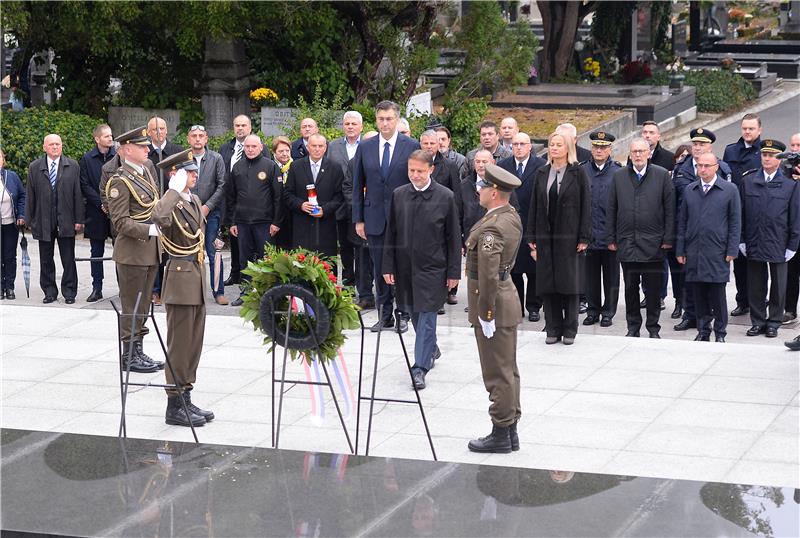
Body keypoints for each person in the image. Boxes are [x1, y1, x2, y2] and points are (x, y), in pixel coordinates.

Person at [382, 149, 461, 389]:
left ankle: (420, 368)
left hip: (433, 268)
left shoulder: (445, 196)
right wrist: (388, 265)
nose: (414, 175)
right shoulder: (399, 194)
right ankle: (431, 348)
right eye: (411, 170)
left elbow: (453, 238)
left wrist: (453, 273)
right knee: (414, 312)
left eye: (419, 171)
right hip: (405, 268)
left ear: (431, 170)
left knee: (427, 315)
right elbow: (391, 233)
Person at [152, 152, 213, 427]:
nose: (194, 176)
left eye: (193, 172)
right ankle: (173, 404)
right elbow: (158, 217)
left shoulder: (194, 200)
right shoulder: (171, 202)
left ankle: (186, 396)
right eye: (188, 173)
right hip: (179, 278)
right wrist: (173, 191)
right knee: (179, 345)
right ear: (175, 175)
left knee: (193, 343)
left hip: (196, 277)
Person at [465, 164, 523, 454]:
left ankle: (501, 431)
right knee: (508, 370)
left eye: (483, 187)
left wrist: (485, 313)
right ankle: (510, 429)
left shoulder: (492, 226)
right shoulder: (509, 217)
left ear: (495, 191)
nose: (479, 190)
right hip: (506, 300)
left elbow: (487, 275)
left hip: (494, 305)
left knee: (496, 372)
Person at [352, 100, 421, 333]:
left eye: (389, 119)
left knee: (402, 267)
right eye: (381, 119)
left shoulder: (410, 145)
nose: (385, 123)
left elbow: (416, 182)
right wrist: (358, 219)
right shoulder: (366, 147)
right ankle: (385, 314)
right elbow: (357, 185)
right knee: (380, 267)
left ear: (397, 119)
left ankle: (403, 314)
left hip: (404, 218)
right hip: (374, 218)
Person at [105, 126, 164, 373]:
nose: (147, 148)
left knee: (143, 306)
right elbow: (119, 222)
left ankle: (138, 351)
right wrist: (150, 231)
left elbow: (155, 206)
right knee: (131, 305)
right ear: (127, 150)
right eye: (142, 146)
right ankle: (129, 356)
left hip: (149, 252)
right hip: (131, 253)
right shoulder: (119, 180)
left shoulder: (145, 173)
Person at [527, 132, 591, 345]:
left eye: (558, 145)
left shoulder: (578, 172)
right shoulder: (542, 172)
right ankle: (552, 328)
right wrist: (532, 236)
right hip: (546, 237)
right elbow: (535, 206)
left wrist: (584, 236)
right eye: (551, 144)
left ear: (567, 149)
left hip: (570, 237)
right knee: (549, 284)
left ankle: (570, 329)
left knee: (569, 284)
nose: (554, 148)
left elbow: (586, 207)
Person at [606, 138, 675, 338]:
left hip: (653, 246)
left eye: (641, 151)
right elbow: (612, 208)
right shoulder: (619, 177)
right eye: (634, 151)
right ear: (629, 154)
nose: (637, 155)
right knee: (630, 290)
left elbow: (670, 210)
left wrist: (668, 239)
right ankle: (633, 328)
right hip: (627, 245)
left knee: (653, 291)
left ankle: (653, 328)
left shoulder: (661, 176)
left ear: (648, 154)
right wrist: (611, 238)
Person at [670, 128, 732, 330]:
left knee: (713, 284)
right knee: (690, 280)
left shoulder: (721, 168)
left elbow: (731, 212)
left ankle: (713, 320)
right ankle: (690, 315)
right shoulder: (681, 168)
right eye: (695, 143)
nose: (697, 147)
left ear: (710, 147)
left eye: (702, 144)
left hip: (714, 236)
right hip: (688, 231)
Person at [676, 152, 741, 343]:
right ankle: (703, 330)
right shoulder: (690, 189)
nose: (702, 169)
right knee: (699, 294)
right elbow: (683, 221)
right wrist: (680, 249)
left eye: (706, 166)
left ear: (716, 167)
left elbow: (735, 222)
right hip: (694, 251)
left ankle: (720, 332)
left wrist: (732, 249)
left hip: (717, 251)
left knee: (717, 295)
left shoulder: (729, 190)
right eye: (699, 166)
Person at [740, 139, 800, 339]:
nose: (766, 158)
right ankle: (758, 321)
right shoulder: (748, 181)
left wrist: (792, 245)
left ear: (779, 159)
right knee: (756, 284)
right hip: (754, 239)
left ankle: (774, 321)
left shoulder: (790, 185)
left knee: (778, 284)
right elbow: (741, 214)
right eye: (764, 154)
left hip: (778, 241)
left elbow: (794, 217)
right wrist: (741, 240)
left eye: (771, 155)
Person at [25, 134, 84, 304]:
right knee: (45, 258)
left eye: (57, 144)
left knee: (68, 258)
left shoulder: (72, 165)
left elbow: (77, 194)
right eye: (51, 144)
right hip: (43, 220)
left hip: (66, 219)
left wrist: (79, 218)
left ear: (62, 146)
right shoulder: (35, 167)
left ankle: (69, 292)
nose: (55, 147)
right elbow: (31, 194)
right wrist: (29, 219)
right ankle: (49, 291)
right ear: (44, 147)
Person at [226, 134, 282, 306]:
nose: (250, 149)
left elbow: (278, 197)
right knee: (245, 260)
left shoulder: (270, 166)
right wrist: (232, 222)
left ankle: (268, 294)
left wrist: (276, 222)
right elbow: (231, 197)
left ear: (260, 147)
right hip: (242, 223)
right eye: (247, 147)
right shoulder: (237, 167)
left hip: (264, 222)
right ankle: (246, 293)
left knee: (267, 260)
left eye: (253, 146)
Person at [218, 114, 272, 287]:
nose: (240, 128)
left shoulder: (260, 148)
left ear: (250, 127)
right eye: (237, 125)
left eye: (243, 125)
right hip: (234, 202)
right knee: (236, 242)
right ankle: (235, 274)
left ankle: (253, 281)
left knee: (253, 247)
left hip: (257, 210)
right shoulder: (226, 148)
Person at [498, 132, 546, 322]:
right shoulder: (503, 166)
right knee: (514, 268)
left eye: (522, 144)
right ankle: (516, 306)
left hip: (532, 222)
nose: (518, 147)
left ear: (529, 147)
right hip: (510, 224)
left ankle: (534, 306)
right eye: (515, 144)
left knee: (533, 269)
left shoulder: (541, 166)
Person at [724, 114, 763, 319]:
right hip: (735, 210)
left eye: (751, 128)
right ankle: (743, 301)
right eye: (744, 128)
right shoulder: (731, 150)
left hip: (756, 212)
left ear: (759, 130)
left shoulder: (764, 151)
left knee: (757, 260)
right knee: (738, 259)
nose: (747, 132)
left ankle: (759, 299)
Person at [582, 131, 622, 327]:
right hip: (588, 236)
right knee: (590, 278)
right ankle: (592, 310)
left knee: (611, 277)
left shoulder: (618, 172)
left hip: (609, 237)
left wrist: (616, 236)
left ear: (610, 150)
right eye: (596, 146)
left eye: (603, 147)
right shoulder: (582, 171)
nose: (599, 150)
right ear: (591, 148)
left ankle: (608, 312)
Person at [419, 129, 463, 308]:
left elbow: (456, 196)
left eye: (432, 143)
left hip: (442, 219)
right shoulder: (415, 164)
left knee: (443, 259)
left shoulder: (449, 165)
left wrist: (457, 221)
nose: (429, 147)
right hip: (420, 220)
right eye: (425, 143)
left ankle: (447, 293)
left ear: (439, 144)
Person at [187, 124, 228, 305]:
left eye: (201, 136)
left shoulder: (216, 158)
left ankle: (218, 292)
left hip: (210, 214)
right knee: (190, 253)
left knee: (214, 253)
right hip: (187, 213)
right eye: (194, 136)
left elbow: (222, 185)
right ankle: (192, 292)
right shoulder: (183, 158)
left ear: (206, 139)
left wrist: (208, 206)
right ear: (189, 139)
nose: (197, 139)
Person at [284, 134, 344, 257]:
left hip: (325, 226)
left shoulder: (335, 168)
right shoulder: (296, 166)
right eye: (313, 146)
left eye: (320, 146)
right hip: (302, 225)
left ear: (325, 148)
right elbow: (287, 194)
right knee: (301, 267)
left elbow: (340, 196)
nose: (317, 149)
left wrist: (325, 210)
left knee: (326, 267)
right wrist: (301, 205)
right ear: (307, 147)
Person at [147, 116, 184, 306]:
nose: (159, 132)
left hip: (173, 209)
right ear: (149, 132)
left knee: (171, 252)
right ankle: (155, 290)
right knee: (155, 252)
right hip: (153, 210)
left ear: (167, 130)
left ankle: (170, 288)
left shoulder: (176, 152)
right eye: (155, 129)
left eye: (162, 128)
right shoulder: (145, 154)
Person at [79, 123, 116, 302]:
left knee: (122, 251)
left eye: (111, 135)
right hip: (96, 212)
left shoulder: (118, 157)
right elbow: (84, 185)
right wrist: (101, 203)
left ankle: (124, 288)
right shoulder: (87, 159)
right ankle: (97, 288)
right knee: (96, 252)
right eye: (107, 136)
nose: (111, 138)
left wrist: (111, 204)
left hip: (117, 212)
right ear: (97, 139)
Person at [327, 111, 363, 288]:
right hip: (340, 204)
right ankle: (348, 284)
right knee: (346, 247)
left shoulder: (369, 145)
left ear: (361, 127)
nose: (350, 127)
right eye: (347, 123)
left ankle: (364, 284)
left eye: (353, 124)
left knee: (362, 248)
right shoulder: (332, 146)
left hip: (363, 204)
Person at [0, 149, 25, 300]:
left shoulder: (12, 177)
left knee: (10, 256)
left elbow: (22, 195)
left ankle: (9, 287)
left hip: (10, 223)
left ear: (3, 160)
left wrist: (21, 215)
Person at [784, 132, 800, 322]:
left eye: (798, 145)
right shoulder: (785, 167)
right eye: (793, 145)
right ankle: (789, 309)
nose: (795, 149)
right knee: (790, 273)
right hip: (792, 231)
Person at [271, 136, 293, 250]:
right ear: (274, 152)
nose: (285, 154)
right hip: (274, 215)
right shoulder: (270, 167)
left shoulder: (296, 166)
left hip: (292, 215)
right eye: (281, 151)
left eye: (287, 151)